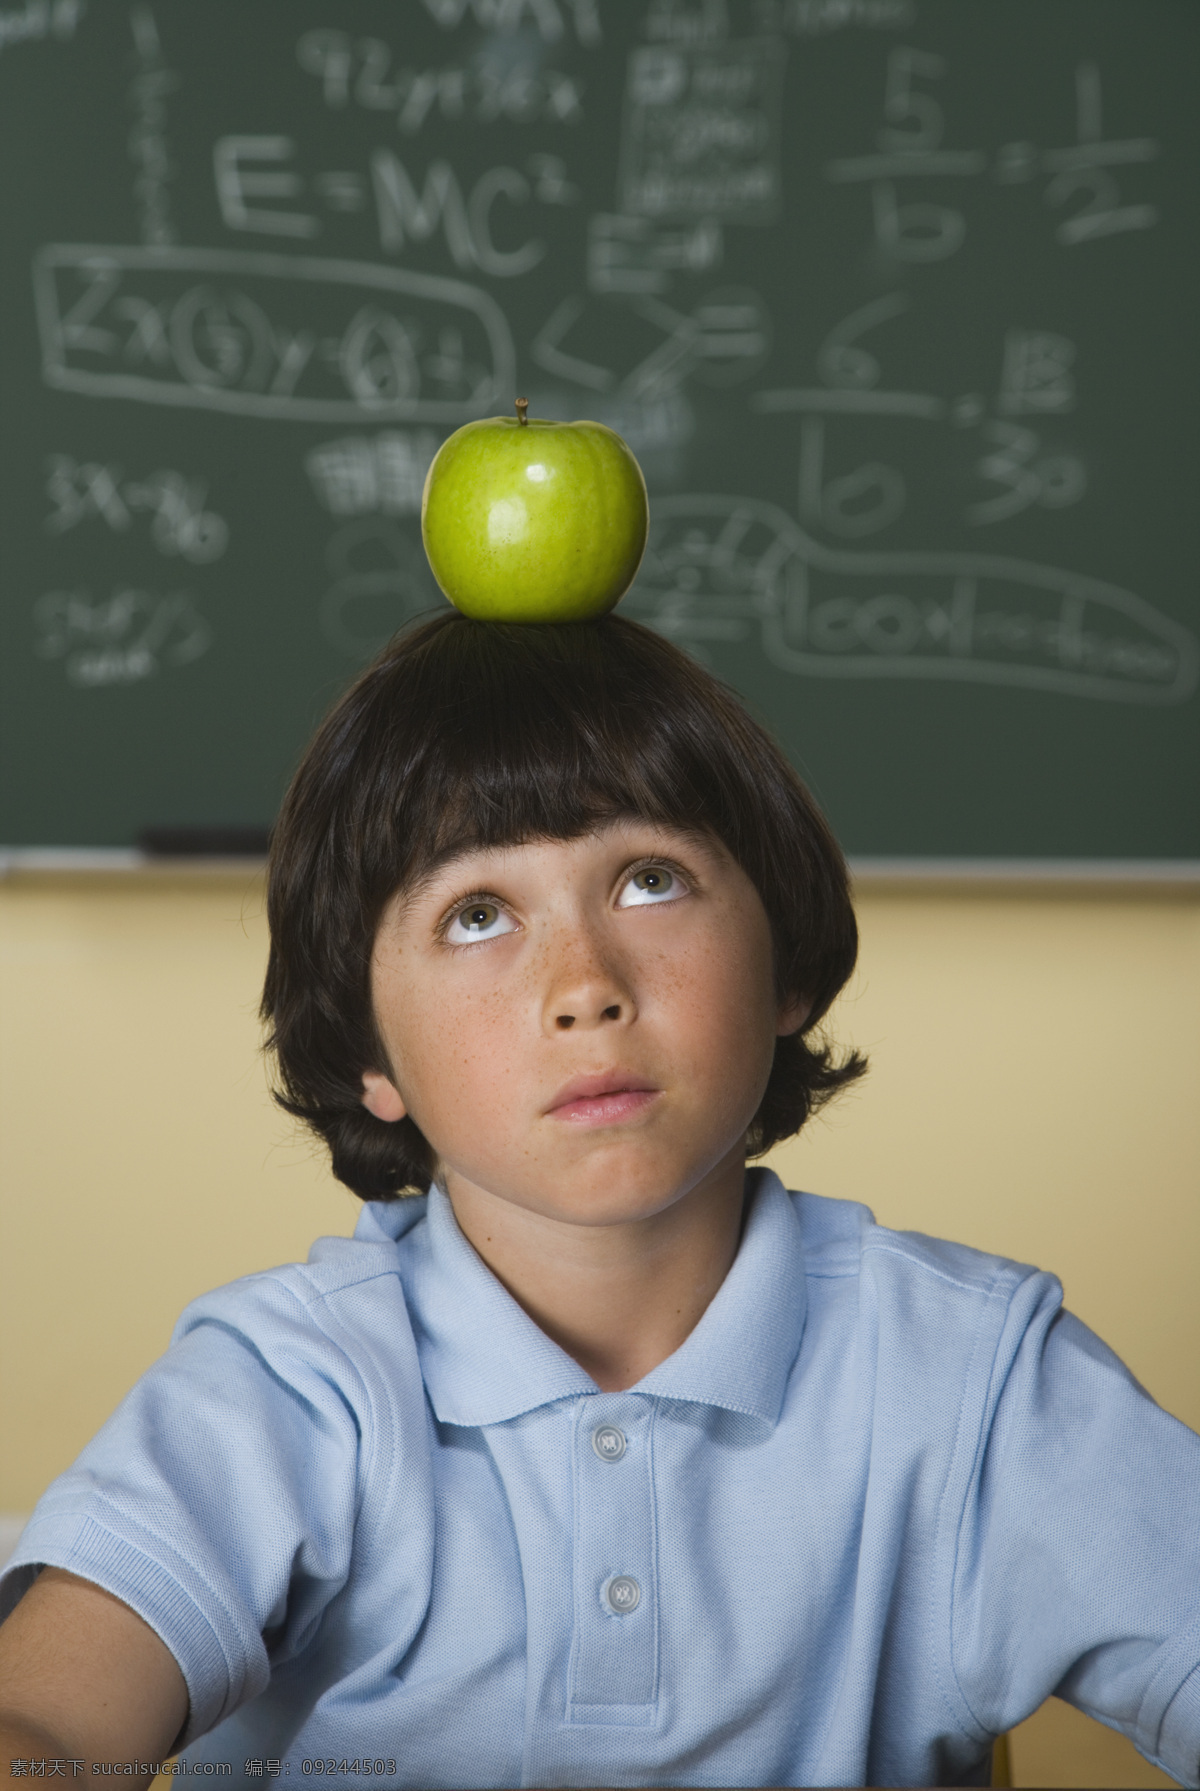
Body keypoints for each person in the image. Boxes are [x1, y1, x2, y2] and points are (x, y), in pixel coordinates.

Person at [1, 614, 1198, 1789]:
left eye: (648, 880)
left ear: (782, 958)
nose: (584, 988)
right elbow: (46, 1723)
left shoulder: (978, 1382)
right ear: (371, 1055)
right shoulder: (288, 1389)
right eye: (476, 915)